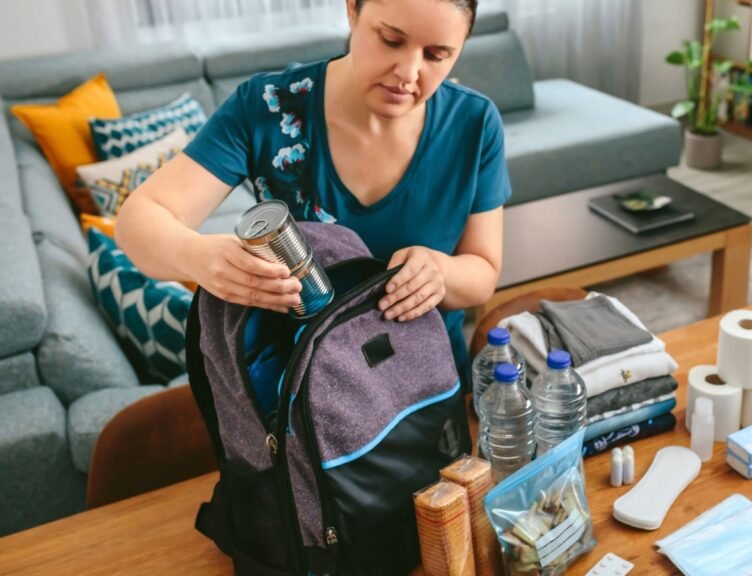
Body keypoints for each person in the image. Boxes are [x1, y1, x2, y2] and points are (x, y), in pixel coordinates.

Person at [117, 0, 509, 380]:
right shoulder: (267, 107)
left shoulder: (475, 124)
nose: (408, 72)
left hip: (427, 389)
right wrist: (200, 257)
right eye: (391, 40)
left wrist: (441, 272)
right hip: (303, 403)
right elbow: (139, 220)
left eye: (436, 55)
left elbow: (483, 271)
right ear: (352, 8)